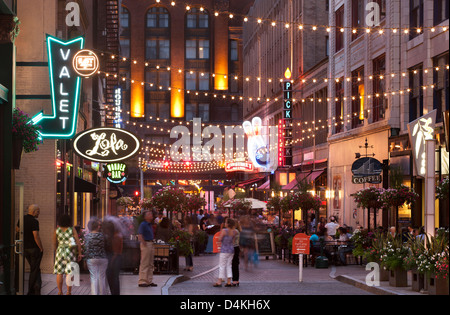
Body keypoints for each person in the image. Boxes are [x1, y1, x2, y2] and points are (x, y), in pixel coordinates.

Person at [53, 214, 82, 295]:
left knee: (59, 272)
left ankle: (60, 291)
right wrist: (79, 253)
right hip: (70, 252)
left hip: (60, 251)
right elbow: (78, 242)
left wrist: (57, 252)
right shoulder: (71, 229)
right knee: (69, 273)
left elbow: (55, 242)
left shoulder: (57, 230)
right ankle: (68, 292)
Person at [17, 204, 43, 295]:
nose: (39, 213)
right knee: (34, 269)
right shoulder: (34, 221)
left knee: (35, 269)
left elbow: (17, 230)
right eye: (38, 211)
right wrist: (41, 247)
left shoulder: (22, 219)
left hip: (25, 248)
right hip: (33, 249)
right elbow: (36, 236)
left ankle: (36, 289)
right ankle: (32, 290)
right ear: (34, 211)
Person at [84, 218, 108, 295]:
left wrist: (85, 259)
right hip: (103, 258)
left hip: (92, 258)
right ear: (98, 227)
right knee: (102, 277)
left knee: (94, 278)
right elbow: (106, 247)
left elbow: (87, 249)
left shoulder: (87, 237)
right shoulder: (103, 236)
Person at [213, 219, 238, 287]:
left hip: (224, 250)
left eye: (226, 222)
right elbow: (233, 241)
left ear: (228, 224)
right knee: (229, 265)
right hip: (231, 250)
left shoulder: (224, 231)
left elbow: (219, 239)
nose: (224, 223)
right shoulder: (235, 232)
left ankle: (219, 282)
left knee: (222, 265)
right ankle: (229, 281)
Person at [103, 218, 123, 295]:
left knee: (113, 278)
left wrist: (110, 263)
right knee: (113, 278)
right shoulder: (115, 236)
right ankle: (114, 293)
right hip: (115, 258)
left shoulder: (116, 237)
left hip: (115, 259)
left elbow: (115, 252)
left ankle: (115, 293)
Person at [138, 211, 157, 287]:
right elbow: (140, 234)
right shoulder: (143, 224)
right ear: (145, 217)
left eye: (151, 213)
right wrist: (143, 242)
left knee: (150, 263)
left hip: (151, 243)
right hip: (146, 243)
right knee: (145, 262)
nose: (151, 214)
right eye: (149, 214)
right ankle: (142, 281)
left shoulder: (150, 225)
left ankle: (149, 280)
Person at [232, 219, 241, 287]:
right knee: (235, 264)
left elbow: (232, 240)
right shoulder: (237, 230)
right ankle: (236, 280)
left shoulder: (234, 231)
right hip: (236, 247)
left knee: (234, 265)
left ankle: (235, 280)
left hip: (234, 248)